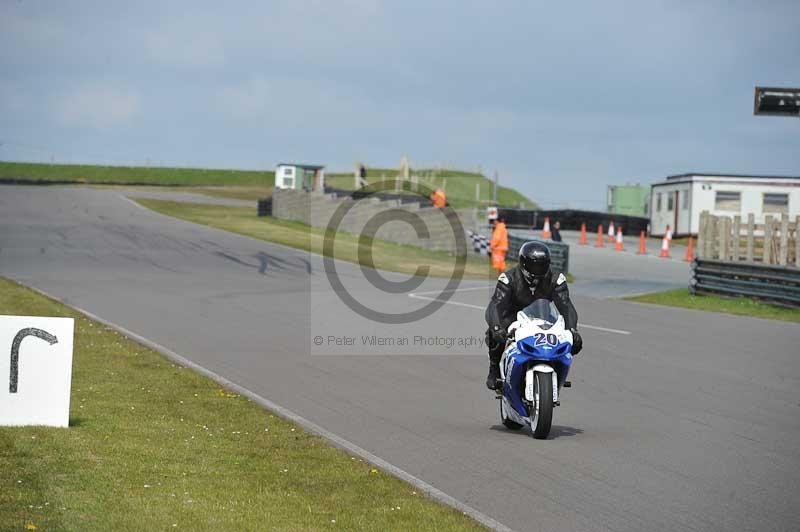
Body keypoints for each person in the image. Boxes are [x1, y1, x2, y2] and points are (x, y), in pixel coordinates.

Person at [483, 241, 583, 390]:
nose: (538, 270)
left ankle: (556, 372)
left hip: (543, 316)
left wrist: (573, 330)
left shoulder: (556, 279)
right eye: (534, 265)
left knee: (572, 342)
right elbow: (495, 305)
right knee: (493, 334)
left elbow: (566, 305)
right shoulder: (508, 278)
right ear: (523, 264)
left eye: (542, 265)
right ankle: (494, 368)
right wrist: (497, 328)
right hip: (513, 318)